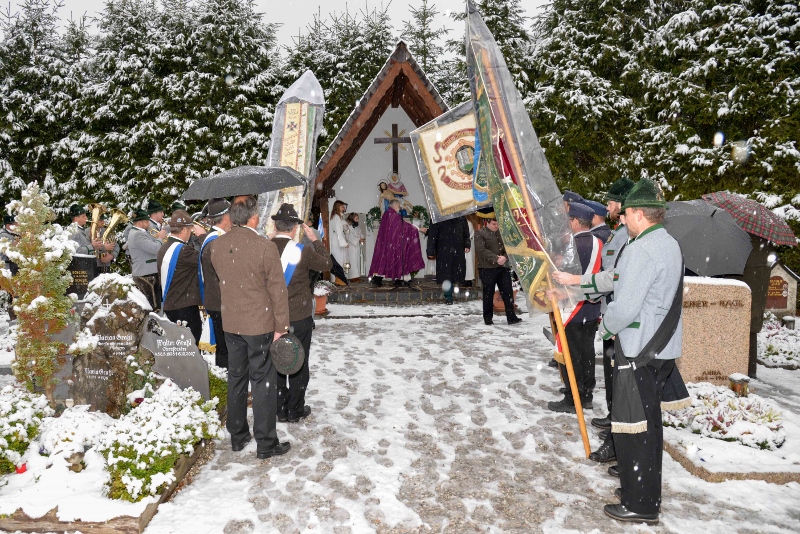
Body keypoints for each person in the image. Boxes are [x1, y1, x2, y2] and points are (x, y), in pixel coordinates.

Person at [598, 179, 684, 525]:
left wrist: (606, 328)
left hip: (639, 349)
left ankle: (641, 504)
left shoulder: (640, 249)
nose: (623, 220)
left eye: (626, 214)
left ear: (637, 214)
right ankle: (642, 491)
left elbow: (625, 307)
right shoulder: (668, 243)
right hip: (661, 348)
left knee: (634, 427)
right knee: (649, 426)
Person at [209, 195, 291, 460]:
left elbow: (225, 281)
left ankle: (238, 435)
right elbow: (278, 290)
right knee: (263, 381)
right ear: (254, 218)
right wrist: (281, 326)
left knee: (236, 378)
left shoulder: (217, 246)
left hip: (232, 324)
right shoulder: (265, 247)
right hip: (259, 324)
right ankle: (266, 442)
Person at [270, 203, 332, 423]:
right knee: (298, 361)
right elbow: (327, 263)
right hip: (298, 316)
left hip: (271, 316)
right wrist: (315, 240)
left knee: (275, 360)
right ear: (295, 228)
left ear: (275, 226)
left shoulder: (264, 248)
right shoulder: (302, 250)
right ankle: (295, 409)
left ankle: (280, 407)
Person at [547, 202, 603, 413]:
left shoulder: (574, 245)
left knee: (572, 355)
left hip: (574, 306)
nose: (568, 223)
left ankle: (574, 397)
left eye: (569, 220)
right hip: (591, 306)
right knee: (587, 353)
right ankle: (586, 393)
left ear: (576, 222)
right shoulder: (598, 242)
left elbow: (564, 275)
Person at [157, 209, 202, 344]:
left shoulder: (164, 247)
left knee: (179, 347)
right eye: (189, 230)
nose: (190, 233)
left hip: (172, 304)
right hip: (185, 306)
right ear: (183, 230)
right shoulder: (184, 250)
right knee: (190, 346)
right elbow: (206, 259)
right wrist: (202, 237)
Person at [199, 198, 233, 369]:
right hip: (222, 303)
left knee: (224, 347)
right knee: (227, 349)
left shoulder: (214, 239)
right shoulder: (217, 241)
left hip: (217, 301)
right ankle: (228, 380)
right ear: (225, 217)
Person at [474, 212, 522, 326]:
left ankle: (511, 317)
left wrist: (505, 257)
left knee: (507, 292)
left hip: (502, 268)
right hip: (487, 268)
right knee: (488, 293)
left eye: (498, 224)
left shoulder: (502, 233)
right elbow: (481, 250)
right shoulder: (480, 233)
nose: (496, 226)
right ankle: (488, 318)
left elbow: (509, 247)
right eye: (494, 224)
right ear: (487, 222)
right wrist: (496, 258)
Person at [369, 199, 426, 287]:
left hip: (387, 242)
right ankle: (398, 280)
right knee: (396, 259)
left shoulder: (387, 214)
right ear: (395, 205)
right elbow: (403, 226)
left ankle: (378, 279)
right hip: (393, 243)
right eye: (398, 206)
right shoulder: (393, 215)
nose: (399, 208)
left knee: (385, 261)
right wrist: (418, 229)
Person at [127, 208, 167, 310]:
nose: (149, 223)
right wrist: (160, 238)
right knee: (153, 307)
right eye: (146, 221)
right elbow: (154, 249)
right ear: (140, 222)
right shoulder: (138, 234)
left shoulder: (138, 232)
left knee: (154, 305)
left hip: (147, 273)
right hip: (147, 274)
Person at [425, 216, 471, 304]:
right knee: (446, 274)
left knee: (456, 272)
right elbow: (432, 235)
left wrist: (467, 244)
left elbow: (466, 232)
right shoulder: (437, 216)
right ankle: (448, 296)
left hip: (458, 249)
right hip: (443, 249)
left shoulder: (460, 217)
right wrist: (430, 250)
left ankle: (452, 292)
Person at [0, 215, 19, 320]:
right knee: (12, 291)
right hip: (8, 266)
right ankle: (13, 315)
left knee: (17, 290)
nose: (15, 226)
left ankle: (17, 314)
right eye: (13, 224)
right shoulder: (3, 235)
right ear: (7, 225)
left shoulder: (14, 234)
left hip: (15, 266)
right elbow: (8, 251)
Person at [328, 200, 349, 285]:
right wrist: (344, 243)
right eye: (342, 207)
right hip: (336, 242)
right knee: (338, 261)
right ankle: (338, 279)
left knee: (340, 260)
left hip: (337, 240)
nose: (344, 208)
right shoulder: (336, 217)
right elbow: (338, 232)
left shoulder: (338, 217)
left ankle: (340, 279)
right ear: (337, 207)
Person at [344, 212, 364, 281]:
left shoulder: (357, 226)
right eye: (356, 219)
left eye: (358, 218)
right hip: (351, 247)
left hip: (356, 246)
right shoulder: (347, 226)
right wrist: (358, 239)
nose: (357, 220)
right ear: (352, 219)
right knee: (352, 261)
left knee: (357, 260)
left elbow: (360, 234)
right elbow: (348, 237)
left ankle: (357, 276)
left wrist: (362, 238)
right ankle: (352, 277)